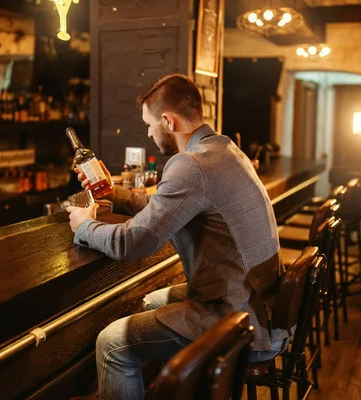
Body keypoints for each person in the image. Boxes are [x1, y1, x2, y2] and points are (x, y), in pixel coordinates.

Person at [67, 74, 288, 400]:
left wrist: (84, 226)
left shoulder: (190, 164)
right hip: (263, 307)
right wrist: (114, 193)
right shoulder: (225, 149)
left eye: (149, 124)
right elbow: (167, 206)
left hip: (242, 323)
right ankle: (170, 387)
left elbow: (134, 242)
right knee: (153, 301)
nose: (148, 132)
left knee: (111, 343)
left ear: (168, 121)